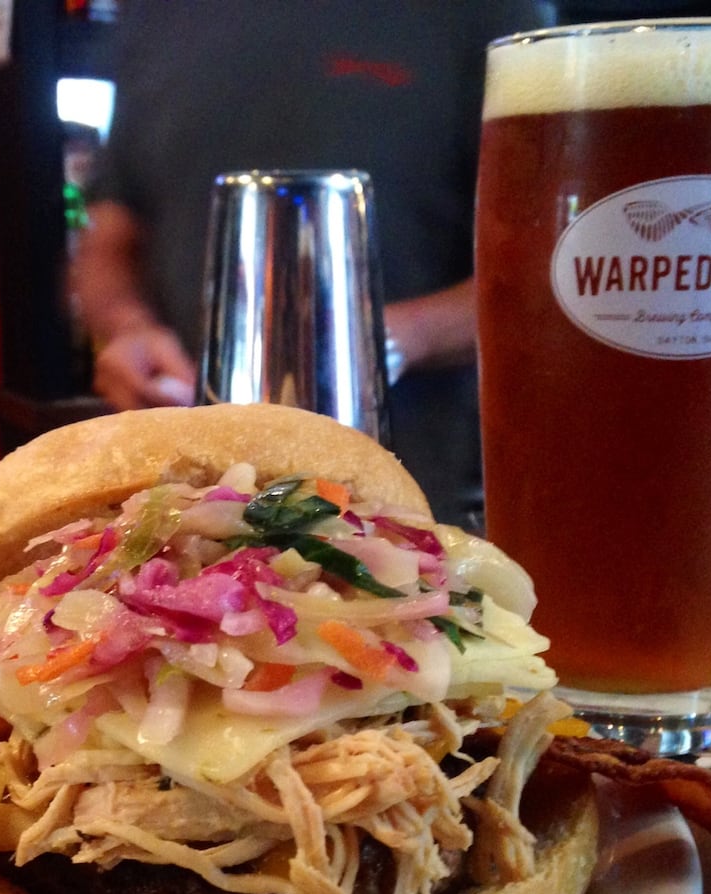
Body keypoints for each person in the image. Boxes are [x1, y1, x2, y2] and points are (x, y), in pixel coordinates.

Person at [71, 0, 550, 528]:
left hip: (414, 496)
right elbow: (109, 230)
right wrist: (128, 328)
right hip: (187, 499)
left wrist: (371, 344)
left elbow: (547, 272)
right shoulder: (157, 14)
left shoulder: (483, 12)